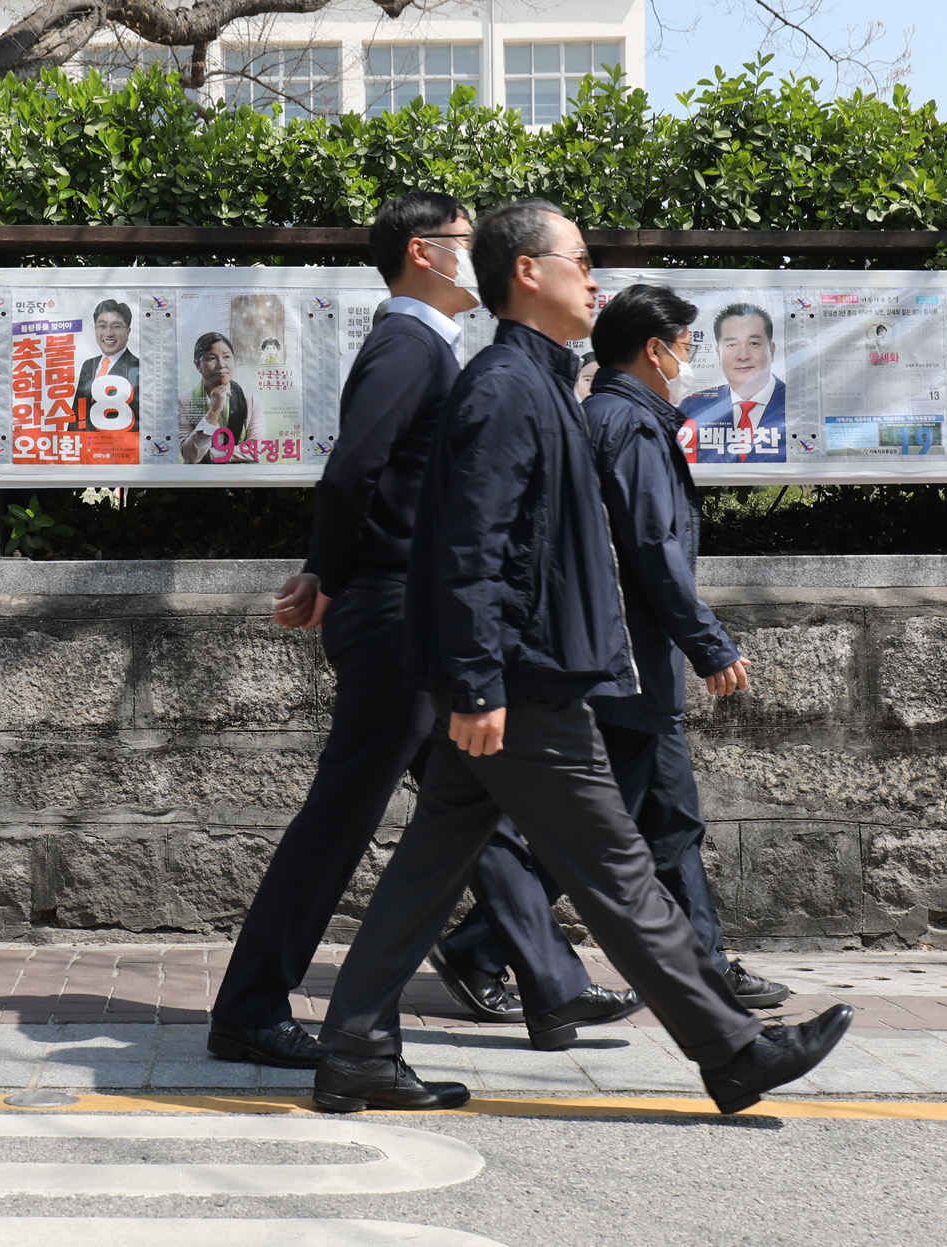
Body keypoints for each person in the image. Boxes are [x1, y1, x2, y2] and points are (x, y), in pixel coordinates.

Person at [311, 200, 851, 1116]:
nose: (595, 280)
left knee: (428, 866)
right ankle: (733, 1050)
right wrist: (479, 681)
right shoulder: (504, 388)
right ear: (528, 272)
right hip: (524, 684)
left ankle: (356, 1042)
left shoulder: (540, 382)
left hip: (519, 676)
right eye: (581, 261)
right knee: (618, 868)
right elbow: (473, 548)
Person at [209, 192, 635, 1070]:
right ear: (422, 252)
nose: (474, 254)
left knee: (472, 796)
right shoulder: (408, 344)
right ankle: (249, 1006)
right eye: (463, 240)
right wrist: (329, 573)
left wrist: (330, 570)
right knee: (344, 815)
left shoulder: (431, 347)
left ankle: (551, 980)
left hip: (411, 608)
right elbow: (352, 471)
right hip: (393, 609)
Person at [437, 287, 793, 1015]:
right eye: (687, 345)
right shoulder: (627, 425)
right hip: (625, 664)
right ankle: (481, 944)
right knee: (602, 832)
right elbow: (651, 547)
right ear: (654, 351)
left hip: (621, 662)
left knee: (665, 824)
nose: (694, 359)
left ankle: (703, 967)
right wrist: (709, 643)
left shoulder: (612, 416)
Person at [679, 302, 786, 463]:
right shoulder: (693, 408)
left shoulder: (798, 406)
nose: (742, 356)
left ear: (771, 351)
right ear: (718, 354)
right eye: (732, 345)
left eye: (753, 343)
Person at [179, 332, 254, 463]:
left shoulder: (249, 398)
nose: (221, 364)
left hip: (240, 475)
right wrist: (213, 411)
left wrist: (212, 454)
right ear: (197, 365)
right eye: (211, 358)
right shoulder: (183, 401)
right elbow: (190, 455)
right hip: (198, 476)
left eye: (226, 357)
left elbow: (256, 450)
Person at [73, 299, 140, 428]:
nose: (109, 333)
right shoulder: (88, 365)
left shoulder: (139, 368)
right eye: (102, 326)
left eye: (116, 326)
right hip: (85, 440)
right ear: (95, 329)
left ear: (128, 331)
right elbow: (77, 414)